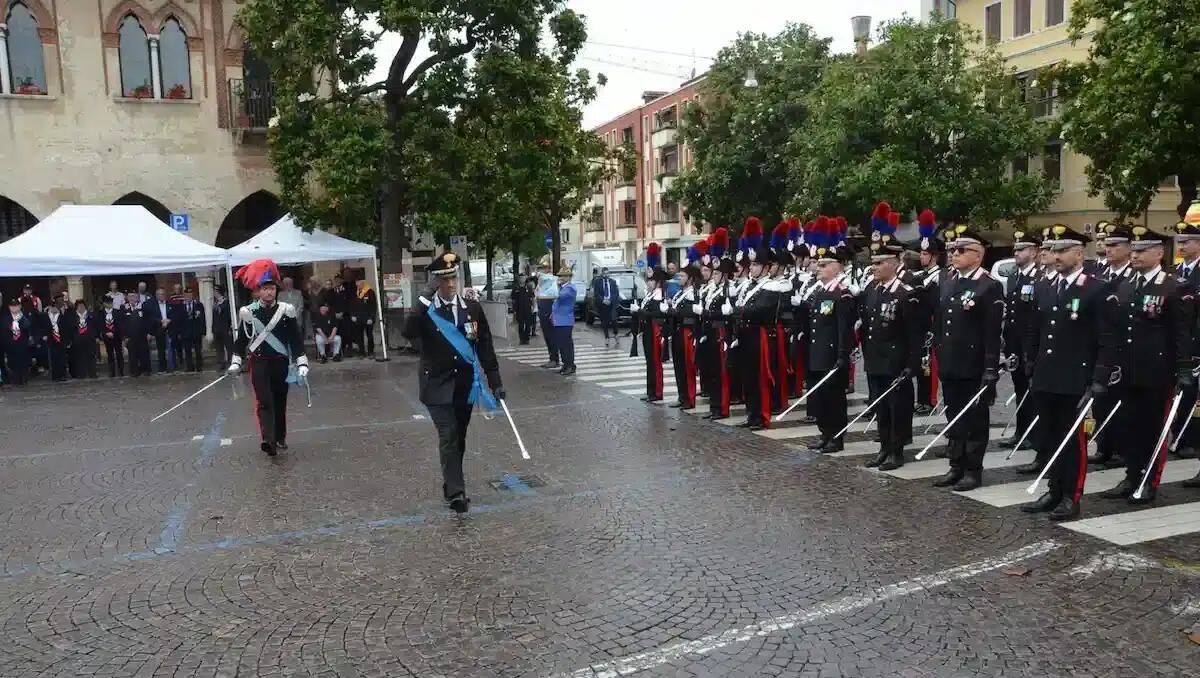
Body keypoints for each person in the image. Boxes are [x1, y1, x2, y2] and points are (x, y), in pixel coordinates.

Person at [1019, 225, 1115, 521]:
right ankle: (1054, 489)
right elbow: (1035, 329)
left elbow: (1106, 338)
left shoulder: (1096, 288)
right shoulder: (1045, 286)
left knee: (1073, 441)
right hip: (1046, 375)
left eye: (1062, 251)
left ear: (1079, 253)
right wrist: (1030, 362)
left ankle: (1071, 496)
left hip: (1076, 377)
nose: (1056, 256)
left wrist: (1099, 377)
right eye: (1053, 250)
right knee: (1049, 436)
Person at [402, 251, 503, 514]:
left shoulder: (472, 308)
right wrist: (425, 295)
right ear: (436, 281)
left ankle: (451, 483)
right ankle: (457, 492)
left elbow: (485, 346)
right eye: (443, 280)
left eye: (453, 278)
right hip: (436, 386)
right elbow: (408, 331)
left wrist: (495, 381)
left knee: (459, 437)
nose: (449, 285)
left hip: (464, 386)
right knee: (448, 435)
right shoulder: (426, 310)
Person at [1100, 226, 1194, 504]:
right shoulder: (1127, 284)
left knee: (1153, 428)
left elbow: (1182, 332)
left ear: (1159, 253)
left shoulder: (1174, 286)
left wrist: (1184, 367)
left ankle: (1149, 480)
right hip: (1128, 369)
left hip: (1157, 371)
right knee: (1128, 426)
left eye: (1142, 251)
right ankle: (1131, 475)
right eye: (1134, 250)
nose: (1136, 255)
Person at [930, 226, 1004, 492]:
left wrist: (990, 368)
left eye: (961, 250)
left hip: (974, 365)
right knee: (954, 416)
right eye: (952, 250)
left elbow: (991, 332)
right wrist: (939, 351)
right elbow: (941, 323)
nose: (954, 254)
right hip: (951, 362)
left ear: (978, 255)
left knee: (974, 420)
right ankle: (956, 465)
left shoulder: (988, 285)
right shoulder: (949, 281)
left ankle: (973, 470)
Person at [856, 213, 923, 470]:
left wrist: (911, 365)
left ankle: (896, 451)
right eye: (873, 263)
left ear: (894, 264)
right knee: (881, 408)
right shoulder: (872, 290)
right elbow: (867, 325)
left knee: (898, 409)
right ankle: (884, 448)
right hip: (875, 359)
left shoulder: (906, 294)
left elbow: (914, 333)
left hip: (896, 362)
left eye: (879, 263)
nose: (873, 267)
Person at [229, 259, 309, 457]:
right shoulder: (249, 312)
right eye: (265, 289)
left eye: (271, 288)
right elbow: (241, 340)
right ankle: (268, 439)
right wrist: (236, 361)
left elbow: (295, 338)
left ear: (276, 290)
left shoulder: (286, 311)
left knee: (279, 402)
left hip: (280, 363)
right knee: (264, 401)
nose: (268, 292)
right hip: (259, 363)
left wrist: (301, 361)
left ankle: (280, 437)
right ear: (258, 291)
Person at [801, 227, 855, 450]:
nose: (818, 268)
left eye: (824, 265)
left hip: (832, 354)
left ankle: (837, 436)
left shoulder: (841, 293)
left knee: (834, 398)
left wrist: (842, 354)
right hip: (818, 352)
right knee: (820, 396)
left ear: (837, 267)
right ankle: (825, 432)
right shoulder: (820, 292)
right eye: (818, 264)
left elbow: (844, 328)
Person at [1088, 222, 1136, 468]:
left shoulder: (1133, 276)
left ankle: (1121, 448)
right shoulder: (1098, 274)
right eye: (1107, 244)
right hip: (1100, 348)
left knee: (1122, 402)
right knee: (1101, 401)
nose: (1108, 249)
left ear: (1129, 249)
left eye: (1115, 245)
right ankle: (1103, 445)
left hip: (1124, 349)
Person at [999, 228, 1043, 450]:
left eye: (1022, 249)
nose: (1016, 253)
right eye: (1015, 249)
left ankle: (1033, 434)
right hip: (1014, 341)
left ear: (1034, 252)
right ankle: (1020, 431)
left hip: (1030, 342)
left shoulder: (1039, 277)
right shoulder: (1014, 276)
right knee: (1019, 388)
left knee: (1031, 390)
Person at [1171, 207, 1200, 461]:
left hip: (1197, 343)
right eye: (1179, 241)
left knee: (1193, 396)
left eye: (1187, 241)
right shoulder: (1174, 272)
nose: (1181, 246)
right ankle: (1179, 436)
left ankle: (1191, 440)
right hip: (1178, 345)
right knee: (1179, 393)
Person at [914, 210, 943, 416]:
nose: (922, 256)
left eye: (925, 254)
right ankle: (921, 399)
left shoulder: (939, 276)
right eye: (921, 253)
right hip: (919, 324)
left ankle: (930, 399)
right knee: (919, 364)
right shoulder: (919, 276)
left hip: (931, 323)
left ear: (934, 256)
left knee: (929, 364)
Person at [667, 262, 702, 408]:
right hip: (677, 331)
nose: (680, 278)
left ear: (690, 278)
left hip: (687, 331)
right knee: (678, 365)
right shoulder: (680, 293)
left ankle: (689, 398)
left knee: (688, 366)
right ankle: (682, 396)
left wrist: (676, 312)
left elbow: (693, 312)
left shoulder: (693, 293)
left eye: (682, 276)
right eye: (679, 276)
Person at [534, 256, 560, 369]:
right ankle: (552, 358)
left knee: (551, 336)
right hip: (542, 311)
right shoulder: (541, 281)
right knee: (547, 336)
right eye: (540, 268)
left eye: (543, 268)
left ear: (548, 269)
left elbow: (555, 298)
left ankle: (555, 359)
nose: (540, 271)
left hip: (549, 311)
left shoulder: (550, 280)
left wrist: (553, 312)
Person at [552, 266, 577, 375]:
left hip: (566, 320)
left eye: (563, 276)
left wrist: (556, 286)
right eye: (560, 276)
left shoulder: (570, 288)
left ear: (569, 277)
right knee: (561, 344)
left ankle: (570, 365)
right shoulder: (562, 287)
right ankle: (565, 364)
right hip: (559, 320)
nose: (561, 278)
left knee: (566, 344)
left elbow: (559, 296)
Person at [2, 297, 33, 385]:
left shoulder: (23, 316)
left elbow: (28, 326)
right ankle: (15, 379)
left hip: (22, 344)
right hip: (11, 344)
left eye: (16, 306)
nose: (14, 308)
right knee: (13, 362)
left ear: (19, 306)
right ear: (9, 307)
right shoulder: (6, 318)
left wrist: (20, 318)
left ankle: (24, 378)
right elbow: (4, 331)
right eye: (12, 306)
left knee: (23, 361)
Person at [121, 291, 152, 377]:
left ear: (137, 298)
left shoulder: (143, 307)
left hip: (142, 335)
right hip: (130, 336)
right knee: (132, 355)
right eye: (130, 296)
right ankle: (134, 371)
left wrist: (149, 333)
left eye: (134, 296)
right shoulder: (124, 309)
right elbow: (122, 324)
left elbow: (148, 321)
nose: (132, 298)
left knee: (144, 353)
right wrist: (124, 337)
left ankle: (145, 370)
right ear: (127, 298)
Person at [69, 299, 100, 379]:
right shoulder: (73, 316)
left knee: (91, 356)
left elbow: (96, 326)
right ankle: (81, 374)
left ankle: (92, 373)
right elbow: (71, 328)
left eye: (82, 306)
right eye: (79, 306)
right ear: (76, 307)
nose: (81, 307)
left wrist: (96, 336)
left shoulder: (91, 315)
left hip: (90, 338)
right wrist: (73, 338)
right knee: (80, 357)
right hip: (78, 339)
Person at [176, 288, 206, 372]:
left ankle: (199, 366)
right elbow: (178, 320)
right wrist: (179, 332)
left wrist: (203, 331)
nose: (189, 296)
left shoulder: (198, 305)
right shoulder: (180, 306)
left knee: (198, 350)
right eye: (187, 294)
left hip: (196, 331)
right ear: (184, 295)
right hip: (185, 332)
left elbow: (202, 319)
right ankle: (189, 367)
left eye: (190, 294)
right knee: (187, 351)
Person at [41, 298, 71, 381]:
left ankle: (63, 375)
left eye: (55, 307)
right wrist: (44, 335)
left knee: (62, 358)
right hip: (51, 339)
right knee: (53, 358)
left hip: (61, 339)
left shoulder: (62, 316)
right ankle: (55, 376)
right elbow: (43, 327)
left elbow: (66, 328)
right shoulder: (45, 316)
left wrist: (67, 339)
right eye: (52, 307)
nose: (54, 309)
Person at [147, 288, 174, 373]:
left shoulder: (170, 304)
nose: (161, 296)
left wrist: (169, 320)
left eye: (162, 294)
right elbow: (152, 317)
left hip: (170, 328)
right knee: (161, 349)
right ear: (156, 296)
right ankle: (162, 367)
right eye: (159, 294)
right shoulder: (153, 306)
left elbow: (174, 315)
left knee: (171, 349)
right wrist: (161, 321)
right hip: (159, 329)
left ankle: (171, 367)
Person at [593, 267, 620, 346]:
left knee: (614, 320)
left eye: (607, 273)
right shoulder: (597, 282)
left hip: (611, 304)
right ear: (602, 274)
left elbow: (616, 293)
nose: (606, 275)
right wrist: (603, 300)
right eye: (604, 273)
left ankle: (616, 334)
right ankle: (607, 337)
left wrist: (610, 300)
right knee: (604, 322)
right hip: (602, 304)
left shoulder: (613, 282)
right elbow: (596, 293)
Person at [353, 277, 378, 359]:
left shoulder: (370, 292)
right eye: (356, 283)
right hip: (358, 318)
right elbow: (353, 305)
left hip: (368, 318)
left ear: (363, 283)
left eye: (358, 283)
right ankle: (361, 352)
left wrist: (371, 318)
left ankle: (371, 352)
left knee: (369, 335)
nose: (357, 285)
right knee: (359, 336)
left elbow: (373, 306)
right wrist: (353, 315)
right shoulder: (356, 292)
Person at [99, 296, 124, 378]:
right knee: (110, 355)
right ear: (104, 304)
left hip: (117, 336)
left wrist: (114, 332)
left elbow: (119, 324)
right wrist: (106, 332)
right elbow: (100, 325)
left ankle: (121, 371)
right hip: (107, 337)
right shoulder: (101, 313)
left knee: (119, 354)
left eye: (111, 303)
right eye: (108, 303)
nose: (110, 304)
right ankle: (112, 372)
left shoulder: (117, 312)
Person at [212, 285, 234, 371]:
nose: (214, 293)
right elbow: (214, 317)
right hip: (217, 329)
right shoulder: (215, 304)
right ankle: (221, 363)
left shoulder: (226, 303)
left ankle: (230, 362)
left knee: (229, 347)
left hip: (225, 328)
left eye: (215, 291)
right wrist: (213, 328)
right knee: (219, 347)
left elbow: (230, 316)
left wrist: (230, 327)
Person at [512, 275, 535, 345]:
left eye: (524, 278)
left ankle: (527, 339)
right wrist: (514, 310)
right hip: (519, 309)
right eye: (521, 278)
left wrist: (533, 306)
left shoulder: (529, 287)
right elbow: (513, 300)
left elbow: (533, 297)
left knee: (528, 324)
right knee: (521, 325)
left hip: (528, 308)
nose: (522, 279)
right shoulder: (516, 288)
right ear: (519, 279)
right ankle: (522, 339)